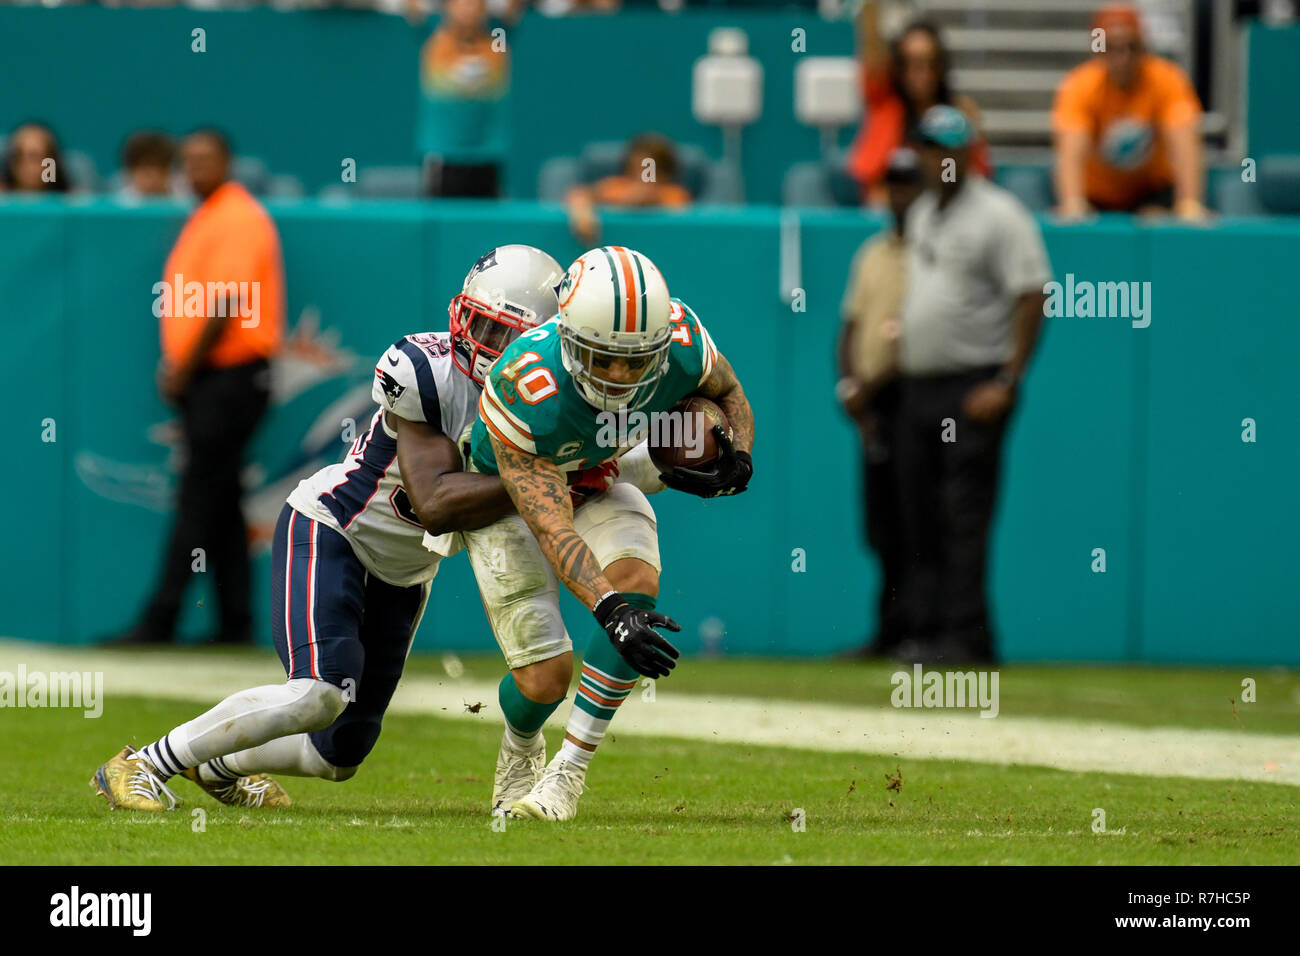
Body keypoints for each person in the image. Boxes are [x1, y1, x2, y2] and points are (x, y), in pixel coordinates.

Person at [91, 246, 567, 811]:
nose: (481, 341)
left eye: (503, 332)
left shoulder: (554, 402)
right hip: (336, 529)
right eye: (480, 322)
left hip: (406, 571)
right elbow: (436, 502)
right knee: (318, 692)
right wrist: (544, 477)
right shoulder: (428, 372)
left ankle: (217, 765)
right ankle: (145, 762)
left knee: (339, 753)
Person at [464, 246, 756, 821]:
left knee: (636, 585)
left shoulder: (682, 343)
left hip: (599, 470)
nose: (621, 375)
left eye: (635, 360)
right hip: (510, 495)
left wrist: (740, 454)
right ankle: (520, 744)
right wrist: (608, 609)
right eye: (602, 358)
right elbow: (551, 526)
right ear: (570, 339)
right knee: (546, 680)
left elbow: (729, 393)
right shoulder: (526, 390)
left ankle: (566, 777)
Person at [892, 106, 1051, 665]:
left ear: (964, 154)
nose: (929, 158)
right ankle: (926, 631)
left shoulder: (1000, 215)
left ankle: (967, 637)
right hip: (921, 387)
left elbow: (1034, 294)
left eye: (939, 149)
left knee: (963, 516)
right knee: (917, 512)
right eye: (924, 148)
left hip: (972, 385)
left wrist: (1008, 379)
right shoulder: (923, 212)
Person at [120, 129, 284, 646]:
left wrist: (182, 367)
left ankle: (160, 619)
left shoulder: (235, 214)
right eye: (186, 161)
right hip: (216, 379)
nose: (194, 169)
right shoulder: (209, 214)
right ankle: (236, 623)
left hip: (230, 378)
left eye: (205, 159)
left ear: (229, 162)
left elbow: (225, 301)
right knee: (222, 502)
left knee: (197, 499)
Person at [836, 148, 924, 659]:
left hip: (913, 398)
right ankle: (891, 631)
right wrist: (852, 388)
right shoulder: (872, 252)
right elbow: (850, 327)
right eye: (894, 184)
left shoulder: (935, 253)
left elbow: (922, 336)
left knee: (920, 520)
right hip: (871, 404)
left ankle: (922, 631)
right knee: (882, 525)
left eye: (911, 184)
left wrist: (873, 386)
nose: (902, 194)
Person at [1052, 2, 1206, 220]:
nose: (1123, 57)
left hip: (1152, 193)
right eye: (1113, 47)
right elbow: (1070, 150)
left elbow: (1185, 142)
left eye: (1131, 46)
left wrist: (1189, 202)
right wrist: (1072, 201)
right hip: (1097, 196)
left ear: (1143, 46)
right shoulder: (1079, 86)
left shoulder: (1168, 80)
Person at [845, 2, 990, 206]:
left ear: (941, 65)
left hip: (947, 216)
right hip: (890, 214)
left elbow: (973, 177)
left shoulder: (959, 113)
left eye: (928, 62)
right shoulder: (886, 106)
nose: (920, 73)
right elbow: (872, 47)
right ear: (898, 66)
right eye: (910, 62)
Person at [417, 0, 511, 198]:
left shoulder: (499, 41)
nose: (469, 9)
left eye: (475, 4)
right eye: (462, 3)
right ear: (447, 7)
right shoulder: (430, 39)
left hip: (487, 157)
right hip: (443, 157)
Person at [565, 133, 693, 244]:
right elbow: (580, 194)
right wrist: (582, 209)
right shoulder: (615, 186)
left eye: (650, 170)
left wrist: (646, 197)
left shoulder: (675, 194)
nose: (642, 177)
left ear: (665, 173)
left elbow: (676, 208)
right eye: (636, 169)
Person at [1, 121, 70, 194]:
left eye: (35, 157)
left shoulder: (75, 201)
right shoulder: (3, 199)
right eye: (19, 156)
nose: (27, 165)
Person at [118, 130, 176, 199]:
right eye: (146, 172)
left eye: (161, 169)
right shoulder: (121, 201)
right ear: (131, 171)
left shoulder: (183, 199)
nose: (154, 176)